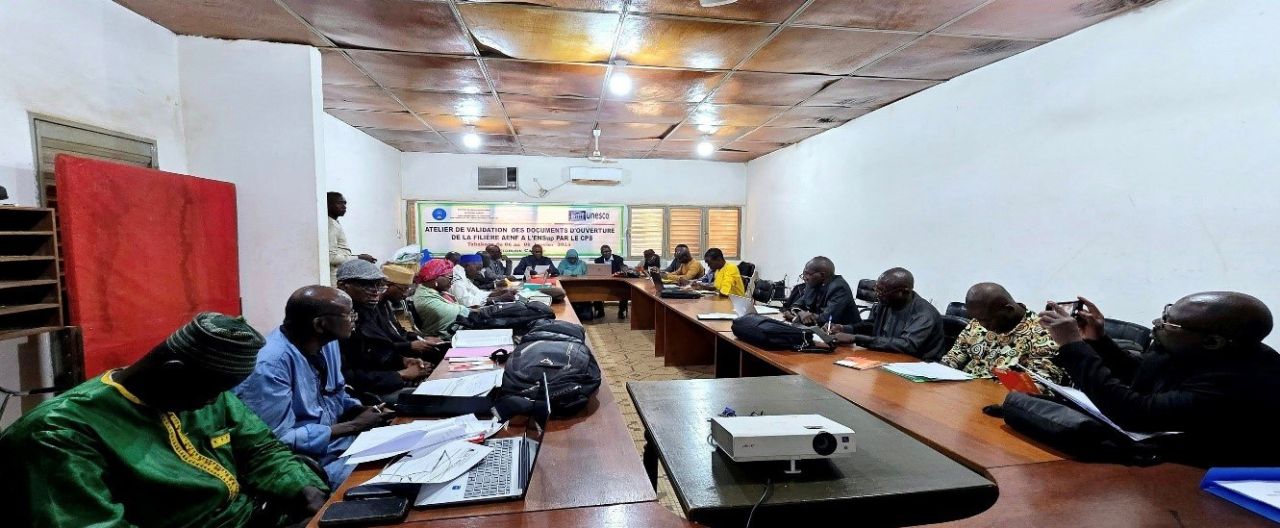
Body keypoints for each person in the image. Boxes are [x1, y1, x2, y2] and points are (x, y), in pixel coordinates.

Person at [0, 313, 329, 528]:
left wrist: (300, 488)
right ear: (174, 372)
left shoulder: (201, 392)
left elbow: (260, 448)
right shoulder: (58, 433)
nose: (216, 401)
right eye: (213, 391)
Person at [1039, 293, 1280, 466]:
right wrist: (1098, 340)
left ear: (1212, 341)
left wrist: (1072, 346)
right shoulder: (1195, 349)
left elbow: (1134, 413)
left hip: (1216, 483)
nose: (1156, 323)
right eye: (1165, 312)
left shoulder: (1244, 379)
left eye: (1169, 323)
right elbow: (1140, 376)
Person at [235, 286, 395, 487]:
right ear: (320, 324)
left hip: (343, 444)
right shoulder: (270, 365)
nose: (355, 319)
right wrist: (353, 426)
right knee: (392, 482)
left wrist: (359, 409)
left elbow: (335, 393)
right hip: (308, 464)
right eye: (349, 315)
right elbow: (274, 440)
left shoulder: (327, 342)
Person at [334, 260, 440, 401]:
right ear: (343, 286)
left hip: (385, 379)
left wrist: (404, 361)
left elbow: (380, 350)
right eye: (366, 285)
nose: (375, 291)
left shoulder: (369, 310)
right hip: (367, 394)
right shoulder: (337, 320)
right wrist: (401, 374)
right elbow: (347, 377)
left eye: (378, 285)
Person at [939, 282, 1066, 383]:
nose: (982, 325)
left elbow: (1040, 387)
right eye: (977, 319)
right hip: (964, 394)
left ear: (1008, 310)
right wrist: (936, 372)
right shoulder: (979, 321)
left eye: (987, 321)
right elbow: (953, 358)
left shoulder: (1044, 335)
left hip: (1001, 404)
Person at [828, 267, 945, 360]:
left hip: (917, 367)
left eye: (882, 291)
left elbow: (906, 345)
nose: (877, 294)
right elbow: (872, 325)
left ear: (904, 292)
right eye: (876, 289)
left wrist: (855, 338)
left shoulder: (923, 314)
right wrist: (844, 328)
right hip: (887, 359)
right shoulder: (886, 302)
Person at [783, 256, 860, 327]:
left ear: (822, 275)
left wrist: (803, 316)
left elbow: (827, 319)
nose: (805, 278)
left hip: (844, 333)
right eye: (804, 273)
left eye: (808, 274)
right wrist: (801, 313)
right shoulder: (812, 284)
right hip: (820, 329)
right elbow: (797, 305)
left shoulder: (839, 288)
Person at [412, 258, 472, 340]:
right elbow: (460, 313)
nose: (451, 281)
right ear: (436, 277)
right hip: (439, 342)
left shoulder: (435, 291)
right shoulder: (425, 297)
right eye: (449, 277)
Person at [327, 191, 375, 285]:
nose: (344, 206)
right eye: (339, 203)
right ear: (328, 205)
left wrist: (359, 257)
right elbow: (331, 258)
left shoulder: (334, 222)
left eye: (345, 203)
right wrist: (358, 258)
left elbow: (340, 252)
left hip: (340, 276)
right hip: (334, 278)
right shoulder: (330, 224)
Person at [382, 263, 421, 333]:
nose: (405, 295)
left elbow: (405, 326)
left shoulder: (396, 300)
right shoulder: (374, 305)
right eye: (404, 289)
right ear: (386, 285)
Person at [594, 244, 630, 319]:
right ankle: (600, 311)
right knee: (595, 291)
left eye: (607, 251)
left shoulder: (618, 259)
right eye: (603, 252)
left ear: (611, 251)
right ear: (601, 253)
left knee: (624, 291)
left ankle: (621, 311)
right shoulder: (598, 260)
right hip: (603, 282)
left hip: (617, 282)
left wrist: (624, 268)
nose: (605, 253)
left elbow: (622, 266)